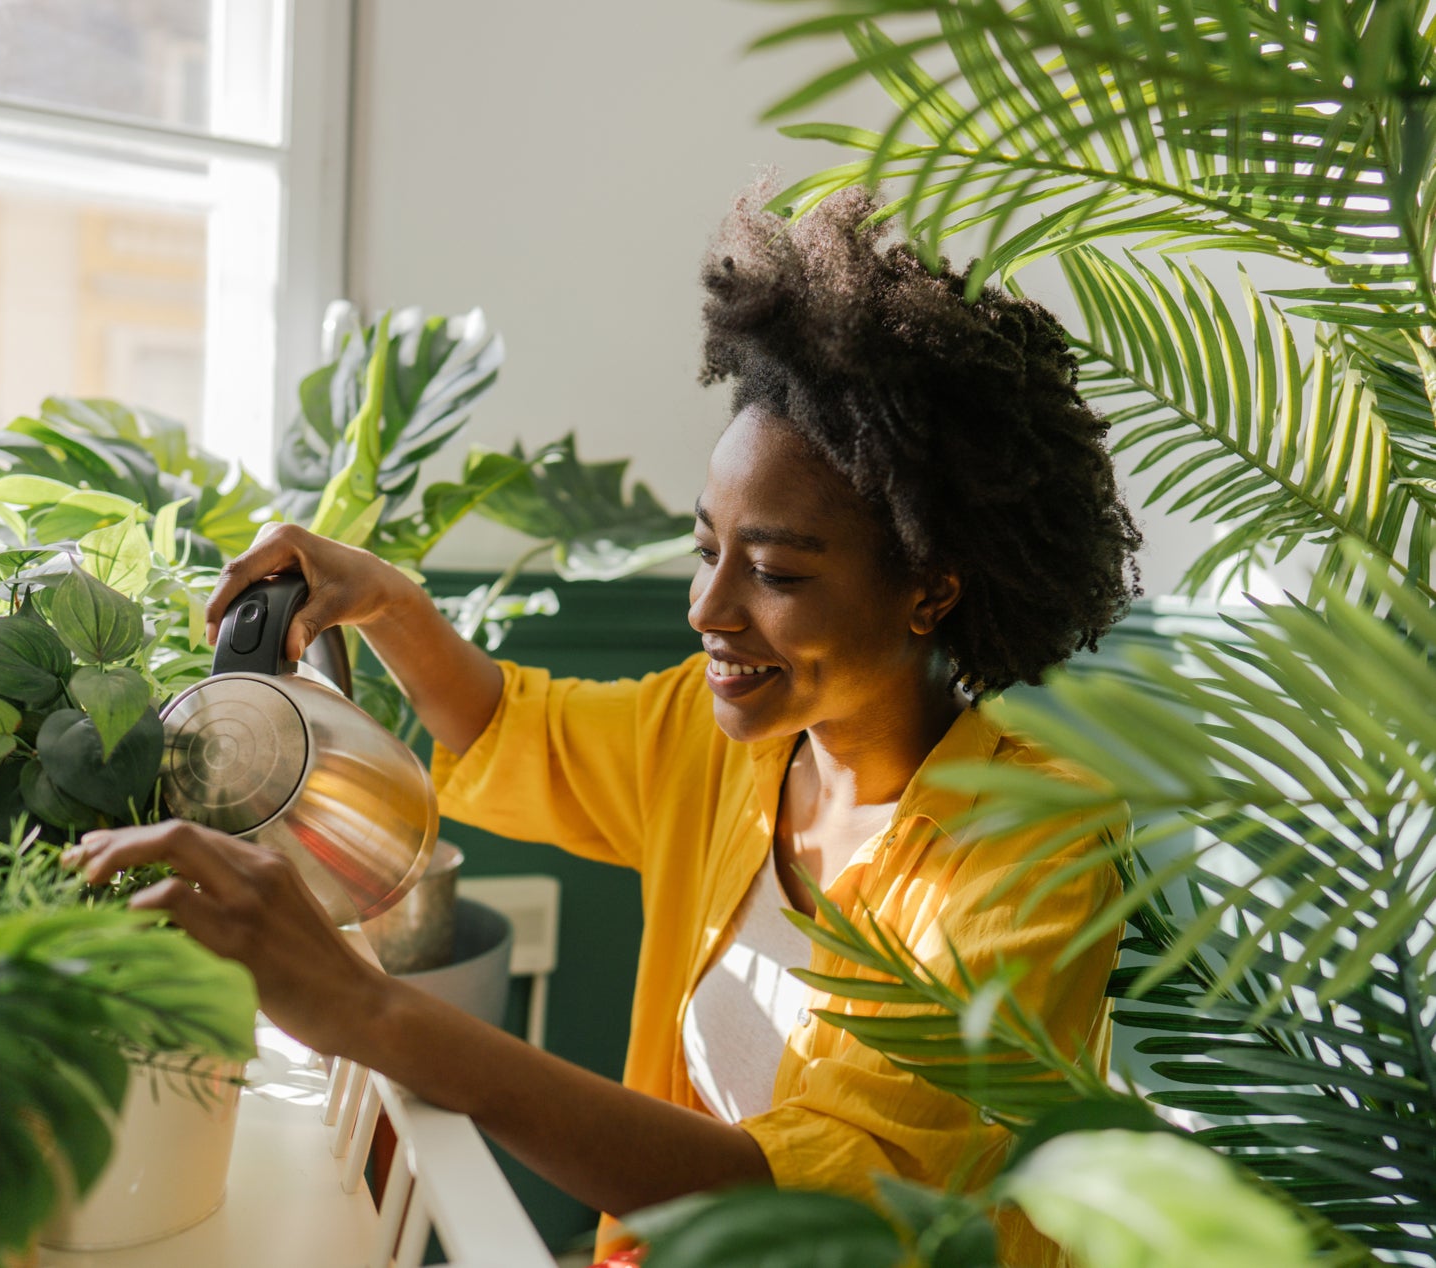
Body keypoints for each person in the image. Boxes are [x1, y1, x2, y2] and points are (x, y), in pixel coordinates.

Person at [63, 182, 1143, 1265]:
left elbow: (823, 1206)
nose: (705, 608)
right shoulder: (726, 741)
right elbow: (513, 730)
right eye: (703, 548)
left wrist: (370, 1011)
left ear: (932, 589)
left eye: (771, 569)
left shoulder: (1033, 842)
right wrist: (389, 599)